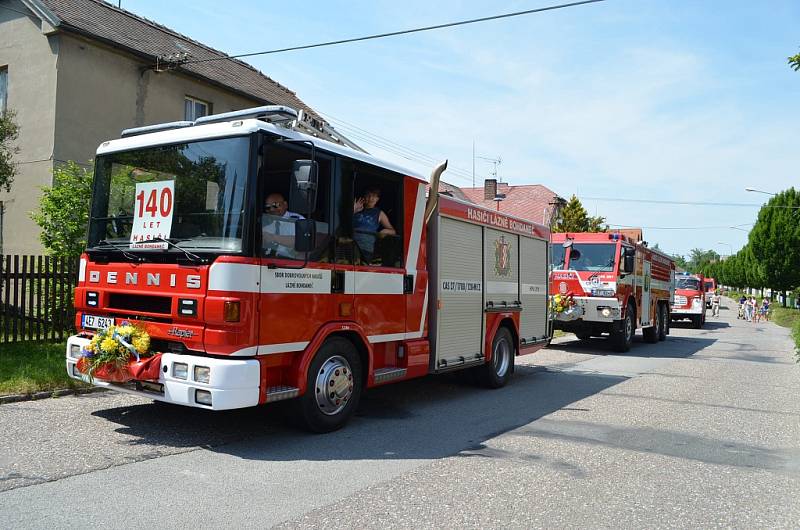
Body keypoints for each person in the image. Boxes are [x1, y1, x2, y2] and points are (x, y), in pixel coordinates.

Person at [353, 187, 396, 263]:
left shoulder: (379, 213)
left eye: (374, 196)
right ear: (364, 197)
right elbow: (343, 224)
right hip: (352, 247)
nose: (370, 198)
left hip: (367, 250)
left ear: (377, 199)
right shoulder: (357, 209)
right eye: (368, 195)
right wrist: (353, 210)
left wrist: (384, 231)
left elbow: (393, 231)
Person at [262, 192, 304, 258]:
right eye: (268, 207)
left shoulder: (298, 221)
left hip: (290, 263)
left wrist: (272, 237)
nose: (272, 209)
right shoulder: (265, 226)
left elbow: (302, 242)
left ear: (285, 205)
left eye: (275, 205)